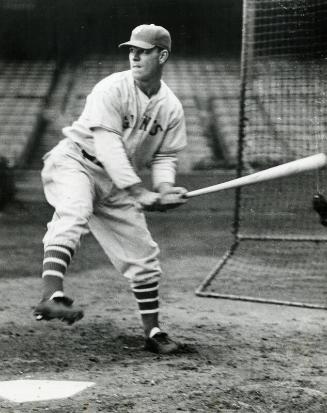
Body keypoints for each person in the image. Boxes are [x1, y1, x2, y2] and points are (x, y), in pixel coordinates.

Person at [33, 24, 188, 354]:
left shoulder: (171, 107)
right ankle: (51, 294)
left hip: (117, 182)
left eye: (143, 50)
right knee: (74, 210)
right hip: (76, 160)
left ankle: (153, 332)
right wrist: (138, 192)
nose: (134, 55)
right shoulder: (111, 89)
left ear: (162, 55)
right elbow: (107, 146)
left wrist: (164, 188)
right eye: (131, 50)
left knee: (143, 254)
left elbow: (165, 155)